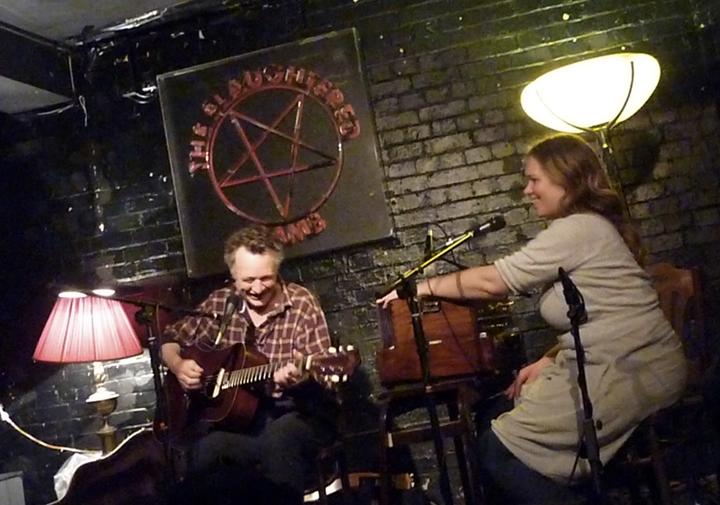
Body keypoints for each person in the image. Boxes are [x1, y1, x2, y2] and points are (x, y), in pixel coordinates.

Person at [378, 134, 688, 504]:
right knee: (495, 411)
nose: (527, 191)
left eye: (534, 180)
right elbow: (602, 314)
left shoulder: (579, 228)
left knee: (495, 450)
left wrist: (421, 287)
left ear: (564, 179)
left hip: (629, 372)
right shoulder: (585, 228)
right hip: (615, 364)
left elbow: (495, 282)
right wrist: (549, 358)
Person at [160, 224, 338, 505]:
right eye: (248, 280)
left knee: (280, 439)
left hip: (298, 414)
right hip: (243, 422)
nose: (257, 288)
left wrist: (299, 379)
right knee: (207, 449)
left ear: (277, 270)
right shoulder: (221, 304)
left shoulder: (301, 304)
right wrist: (179, 365)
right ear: (233, 276)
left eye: (266, 278)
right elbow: (169, 340)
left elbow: (324, 377)